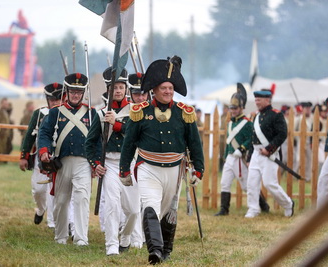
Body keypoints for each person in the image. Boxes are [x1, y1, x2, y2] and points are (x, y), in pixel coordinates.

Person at [119, 56, 204, 264]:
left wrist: (198, 170)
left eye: (170, 88)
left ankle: (166, 249)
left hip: (174, 169)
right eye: (164, 88)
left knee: (168, 211)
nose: (168, 92)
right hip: (148, 167)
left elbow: (195, 143)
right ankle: (154, 251)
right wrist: (124, 170)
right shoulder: (140, 112)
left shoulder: (185, 113)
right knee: (150, 206)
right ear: (154, 90)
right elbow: (129, 143)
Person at [85, 67, 140, 256]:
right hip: (109, 164)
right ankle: (111, 245)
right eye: (114, 87)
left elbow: (135, 135)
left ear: (126, 88)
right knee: (112, 206)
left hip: (129, 164)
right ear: (108, 90)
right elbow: (90, 143)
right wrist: (95, 164)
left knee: (133, 210)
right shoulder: (101, 114)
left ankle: (125, 237)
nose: (118, 91)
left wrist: (116, 123)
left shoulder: (135, 111)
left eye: (121, 87)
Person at [38, 73, 95, 246]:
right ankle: (61, 236)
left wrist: (96, 162)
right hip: (62, 163)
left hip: (83, 162)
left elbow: (97, 140)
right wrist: (44, 151)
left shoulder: (91, 114)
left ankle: (80, 237)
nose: (76, 95)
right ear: (67, 92)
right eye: (72, 91)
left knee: (82, 199)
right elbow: (44, 133)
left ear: (83, 92)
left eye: (79, 91)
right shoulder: (55, 113)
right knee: (61, 200)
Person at [215, 83, 269, 216]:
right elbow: (229, 142)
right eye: (231, 108)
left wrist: (242, 148)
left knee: (246, 186)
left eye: (235, 108)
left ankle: (263, 205)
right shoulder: (230, 123)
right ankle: (224, 209)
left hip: (240, 158)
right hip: (230, 158)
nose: (232, 110)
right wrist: (226, 154)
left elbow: (251, 139)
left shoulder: (247, 123)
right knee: (225, 183)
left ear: (241, 108)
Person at [245, 90, 294, 218]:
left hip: (269, 154)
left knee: (269, 183)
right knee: (251, 182)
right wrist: (250, 157)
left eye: (259, 100)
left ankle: (288, 204)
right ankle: (253, 208)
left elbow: (282, 134)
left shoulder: (276, 115)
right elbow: (253, 138)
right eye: (256, 100)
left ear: (268, 100)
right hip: (256, 153)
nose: (256, 102)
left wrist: (269, 148)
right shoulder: (256, 116)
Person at [19, 83, 62, 227]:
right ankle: (41, 209)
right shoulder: (39, 114)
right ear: (48, 100)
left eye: (58, 99)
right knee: (38, 190)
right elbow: (29, 137)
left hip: (59, 159)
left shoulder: (66, 114)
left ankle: (53, 222)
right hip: (41, 158)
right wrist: (24, 157)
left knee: (54, 190)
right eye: (52, 100)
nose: (55, 102)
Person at [0, 98, 12, 164]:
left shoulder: (6, 112)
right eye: (5, 104)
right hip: (0, 132)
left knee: (5, 147)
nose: (6, 105)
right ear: (1, 104)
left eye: (7, 104)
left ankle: (2, 161)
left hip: (5, 132)